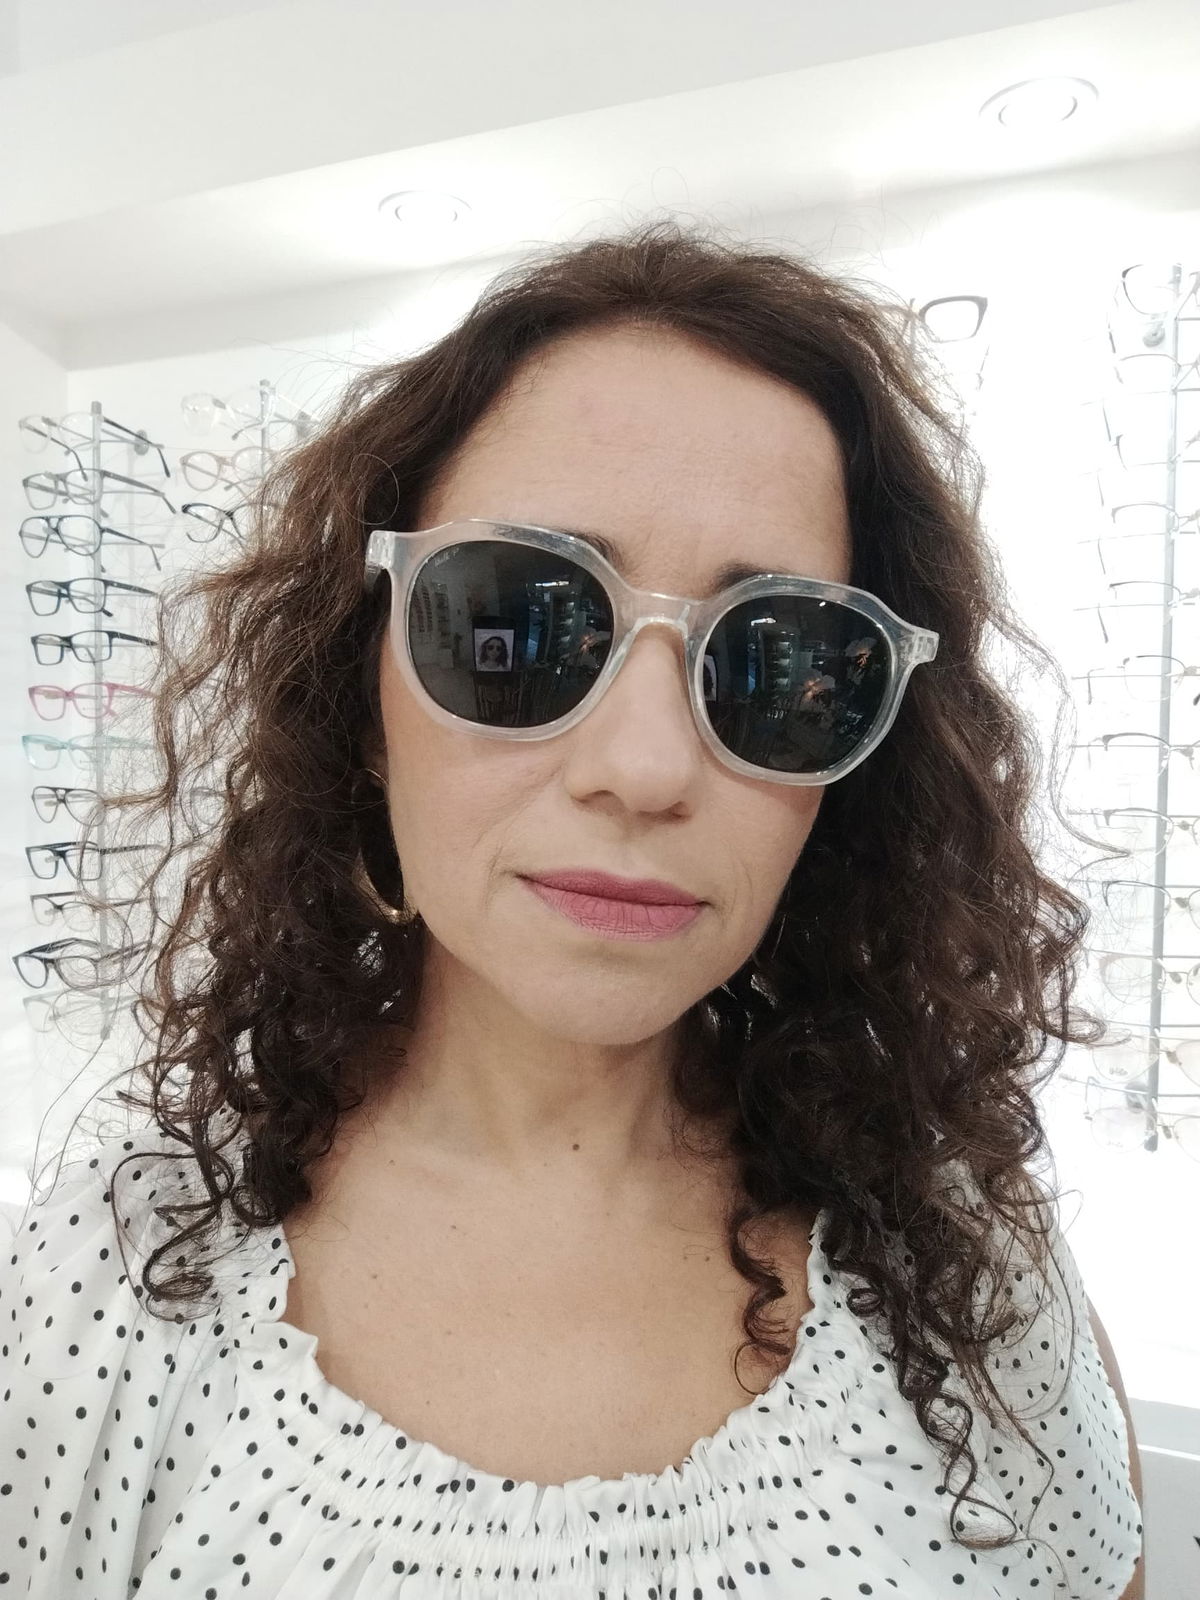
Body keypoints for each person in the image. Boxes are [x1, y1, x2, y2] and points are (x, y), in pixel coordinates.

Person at [0, 220, 1143, 1598]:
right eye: (521, 630)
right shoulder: (111, 1288)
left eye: (777, 667)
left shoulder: (964, 1266)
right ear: (362, 702)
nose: (646, 769)